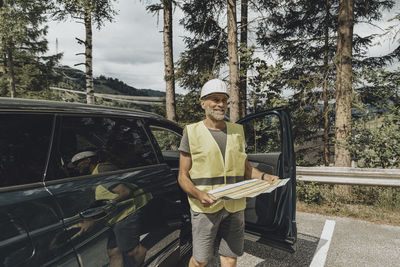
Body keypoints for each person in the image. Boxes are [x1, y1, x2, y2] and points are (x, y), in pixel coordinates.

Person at [178, 78, 279, 267]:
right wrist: (199, 194)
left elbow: (246, 169)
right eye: (215, 99)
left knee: (230, 257)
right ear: (203, 103)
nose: (221, 104)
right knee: (200, 260)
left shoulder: (237, 131)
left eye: (224, 100)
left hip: (235, 206)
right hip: (205, 207)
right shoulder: (191, 132)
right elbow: (183, 176)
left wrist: (266, 177)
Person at [69, 151, 150, 267]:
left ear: (88, 160)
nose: (77, 168)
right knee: (113, 252)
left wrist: (99, 214)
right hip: (115, 217)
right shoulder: (93, 176)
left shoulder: (102, 171)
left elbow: (125, 192)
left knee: (133, 252)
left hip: (125, 214)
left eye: (78, 163)